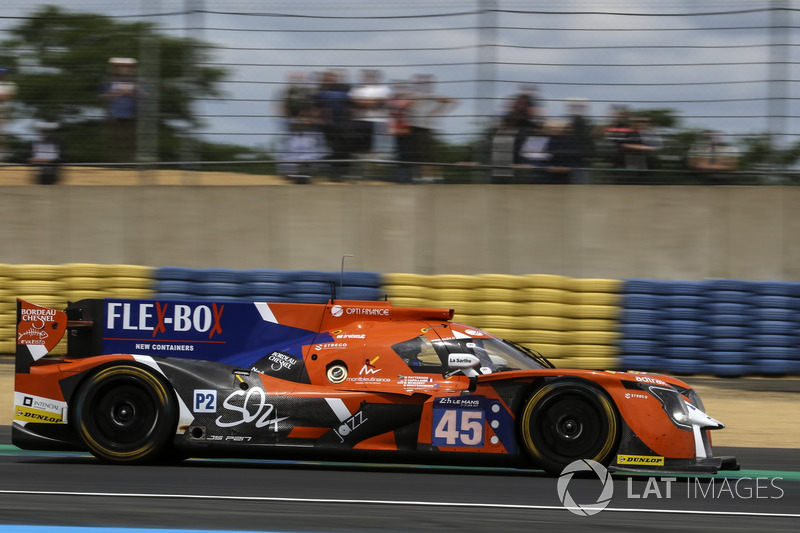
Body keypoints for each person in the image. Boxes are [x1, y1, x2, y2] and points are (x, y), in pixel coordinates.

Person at [406, 74, 456, 182]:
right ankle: (419, 178)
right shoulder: (416, 95)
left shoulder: (432, 95)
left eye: (425, 82)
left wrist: (438, 111)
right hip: (415, 126)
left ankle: (428, 178)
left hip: (425, 127)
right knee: (416, 154)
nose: (422, 84)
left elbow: (453, 101)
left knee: (426, 154)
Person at [99, 57, 144, 163]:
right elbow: (101, 95)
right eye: (121, 67)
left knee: (129, 139)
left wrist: (134, 91)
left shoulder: (136, 81)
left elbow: (145, 95)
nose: (124, 69)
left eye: (127, 67)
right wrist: (113, 94)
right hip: (114, 114)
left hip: (131, 114)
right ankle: (114, 161)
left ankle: (127, 161)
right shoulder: (109, 81)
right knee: (115, 138)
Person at [0, 66, 16, 161]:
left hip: (3, 113)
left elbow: (7, 96)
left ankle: (2, 158)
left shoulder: (10, 84)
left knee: (2, 136)